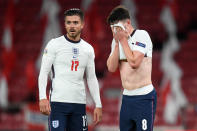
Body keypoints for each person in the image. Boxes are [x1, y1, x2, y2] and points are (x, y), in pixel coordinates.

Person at [38, 8, 102, 131]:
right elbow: (43, 73)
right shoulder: (54, 44)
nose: (72, 26)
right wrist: (42, 97)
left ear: (82, 24)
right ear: (65, 24)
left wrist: (98, 104)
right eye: (69, 22)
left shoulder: (88, 49)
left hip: (79, 104)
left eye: (75, 22)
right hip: (58, 104)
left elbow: (91, 78)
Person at [106, 5, 157, 131]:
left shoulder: (141, 35)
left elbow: (134, 63)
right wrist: (117, 44)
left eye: (117, 27)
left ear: (127, 23)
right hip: (127, 98)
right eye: (113, 28)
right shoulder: (116, 41)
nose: (115, 31)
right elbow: (111, 67)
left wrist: (123, 40)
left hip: (143, 96)